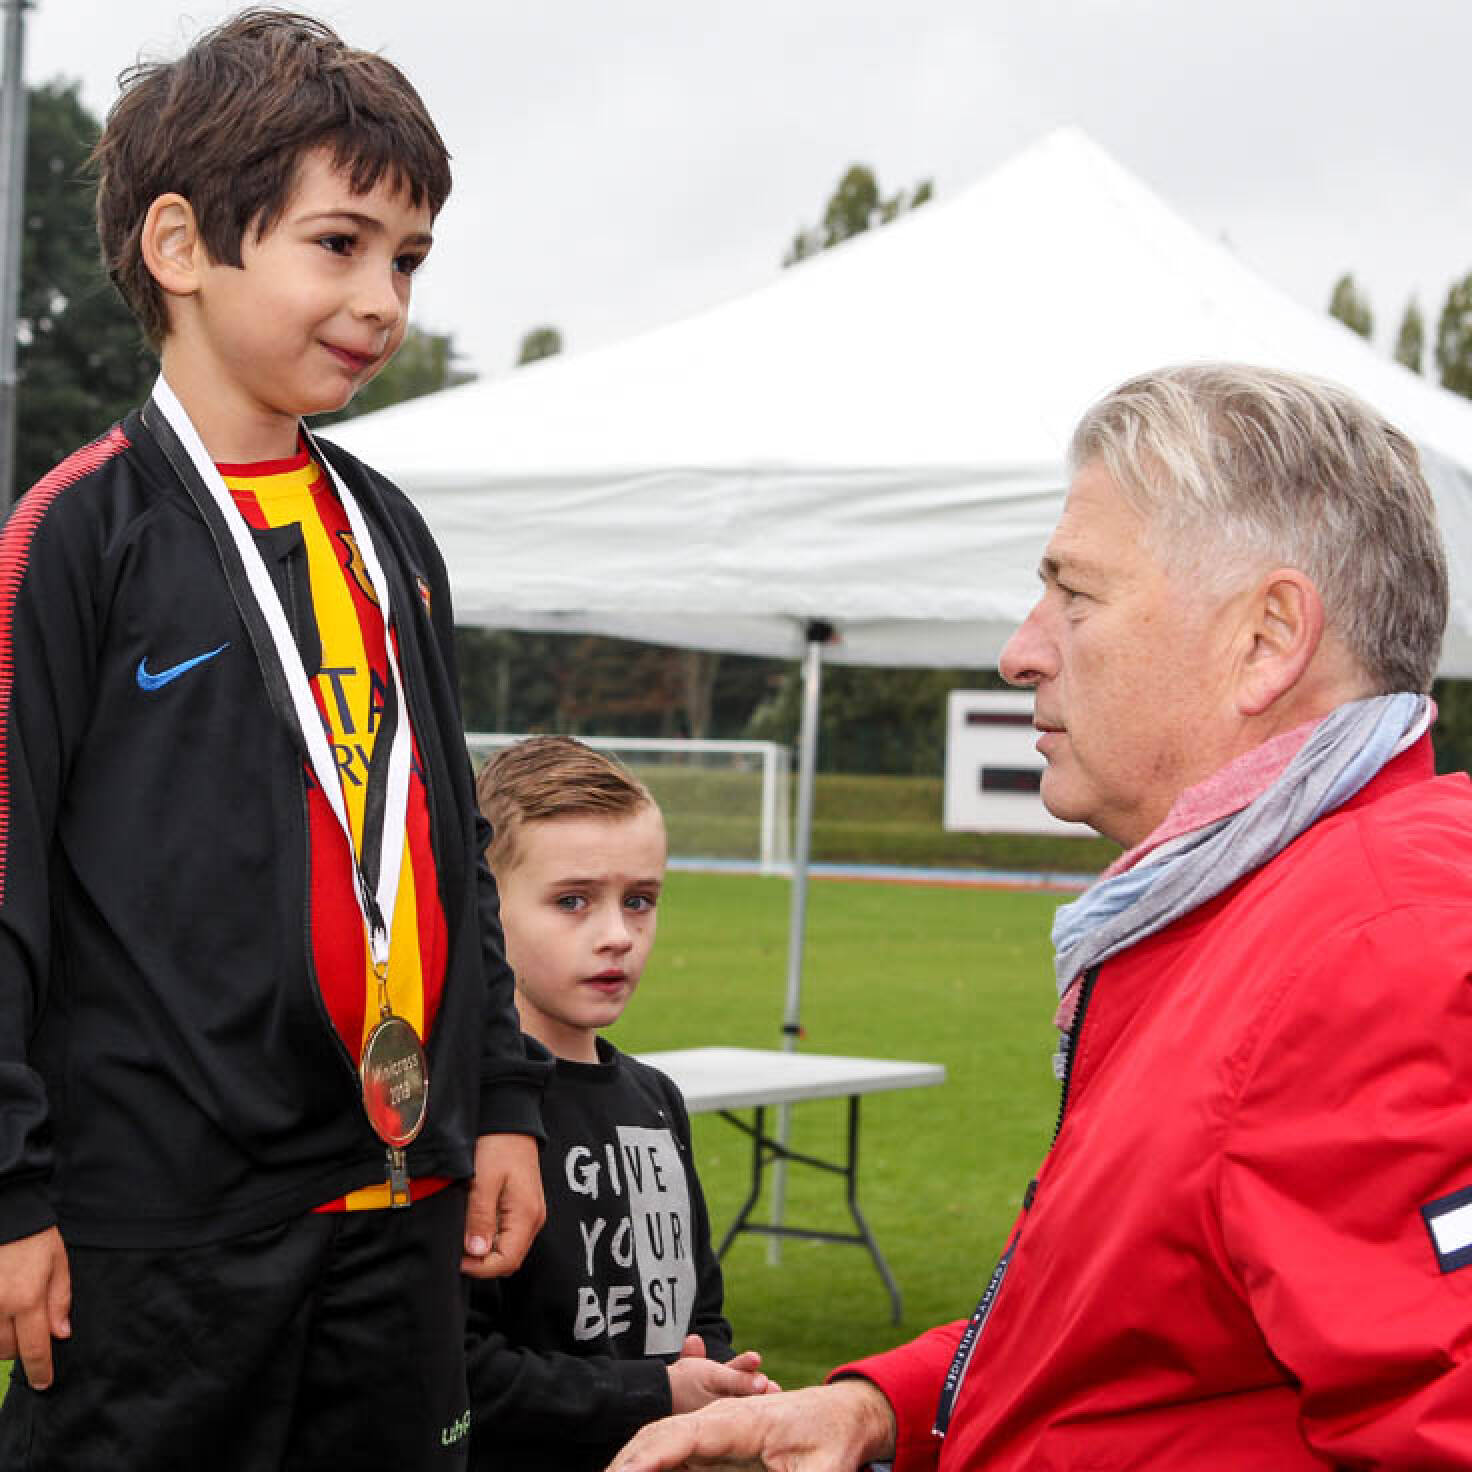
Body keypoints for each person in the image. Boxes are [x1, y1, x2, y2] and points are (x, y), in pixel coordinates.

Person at [607, 362, 1472, 1471]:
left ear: (1265, 639)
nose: (1022, 650)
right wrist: (881, 1405)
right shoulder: (1252, 907)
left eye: (1076, 596)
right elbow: (1137, 1332)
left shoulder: (1380, 949)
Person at [0, 11, 548, 1469]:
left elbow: (447, 844)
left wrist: (501, 1102)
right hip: (165, 1228)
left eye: (408, 258)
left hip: (401, 1197)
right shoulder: (75, 537)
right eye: (340, 244)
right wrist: (11, 1193)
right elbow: (6, 890)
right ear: (182, 245)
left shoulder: (391, 533)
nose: (382, 299)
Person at [467, 735, 775, 1472]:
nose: (617, 936)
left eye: (640, 901)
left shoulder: (655, 1101)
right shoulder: (472, 1115)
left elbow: (699, 1312)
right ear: (484, 908)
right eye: (572, 901)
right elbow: (462, 1372)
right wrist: (655, 1395)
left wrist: (716, 1380)